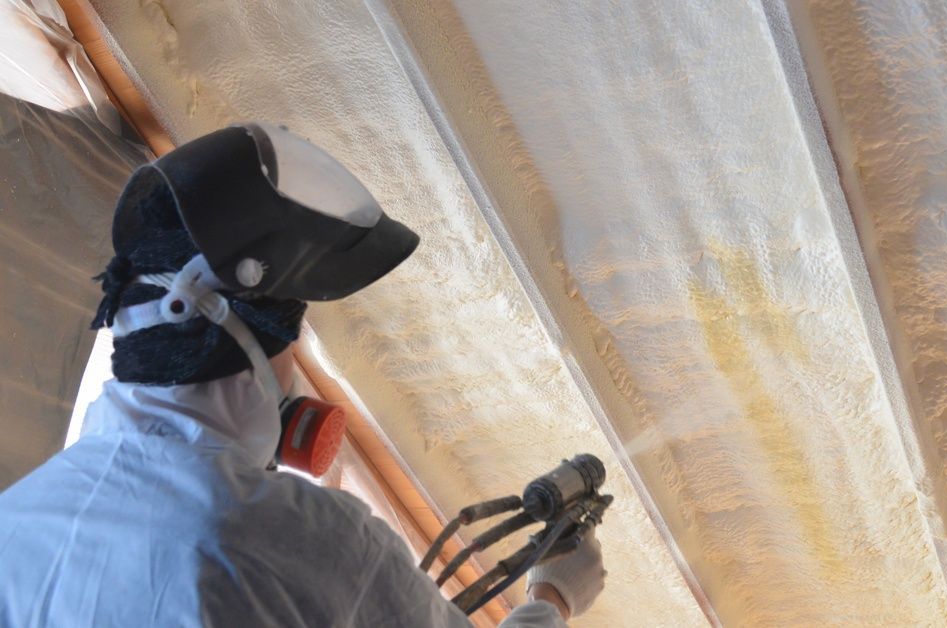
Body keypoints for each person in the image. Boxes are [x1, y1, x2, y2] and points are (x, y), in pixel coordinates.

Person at [0, 124, 605, 626]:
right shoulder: (300, 537)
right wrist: (553, 597)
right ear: (250, 345)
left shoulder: (19, 517)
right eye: (296, 337)